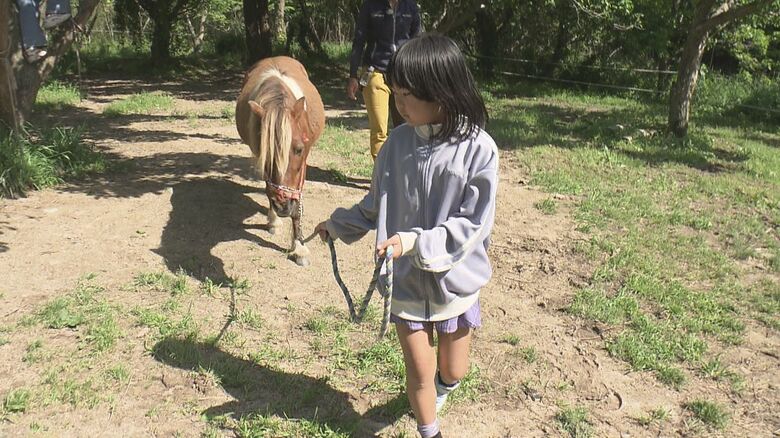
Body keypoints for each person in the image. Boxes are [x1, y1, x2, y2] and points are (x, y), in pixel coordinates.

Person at [318, 33, 497, 438]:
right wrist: (337, 224)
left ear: (443, 92)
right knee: (418, 370)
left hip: (455, 282)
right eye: (394, 93)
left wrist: (415, 241)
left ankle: (446, 386)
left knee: (452, 370)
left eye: (407, 95)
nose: (398, 104)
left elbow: (473, 224)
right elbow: (374, 205)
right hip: (403, 282)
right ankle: (428, 429)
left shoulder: (480, 150)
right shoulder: (394, 146)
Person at [347, 0, 421, 161]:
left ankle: (404, 171)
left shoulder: (411, 7)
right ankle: (381, 177)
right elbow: (359, 41)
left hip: (403, 74)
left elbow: (417, 42)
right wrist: (353, 75)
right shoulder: (370, 5)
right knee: (379, 130)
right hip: (375, 72)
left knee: (407, 127)